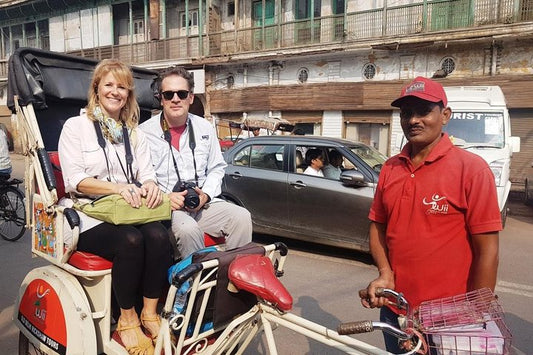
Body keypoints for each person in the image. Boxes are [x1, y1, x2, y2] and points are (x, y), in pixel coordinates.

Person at [360, 76, 501, 353]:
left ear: (445, 115)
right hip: (397, 310)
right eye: (406, 112)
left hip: (452, 317)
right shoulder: (390, 168)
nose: (413, 120)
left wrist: (476, 314)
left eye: (423, 111)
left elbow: (488, 251)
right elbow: (377, 227)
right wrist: (385, 274)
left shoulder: (471, 169)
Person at [58, 59, 173, 355]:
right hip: (87, 213)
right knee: (131, 241)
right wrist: (119, 188)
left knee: (160, 236)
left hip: (127, 210)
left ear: (129, 94)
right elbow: (75, 180)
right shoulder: (77, 126)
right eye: (109, 84)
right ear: (97, 89)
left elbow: (147, 174)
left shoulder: (133, 133)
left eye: (122, 87)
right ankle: (127, 318)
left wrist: (148, 185)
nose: (115, 92)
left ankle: (149, 312)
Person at [139, 66, 252, 259]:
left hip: (202, 204)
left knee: (241, 217)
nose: (175, 99)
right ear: (161, 99)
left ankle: (232, 281)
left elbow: (217, 167)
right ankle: (195, 286)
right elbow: (141, 177)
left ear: (191, 98)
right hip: (169, 207)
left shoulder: (204, 127)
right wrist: (167, 198)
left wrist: (205, 195)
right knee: (187, 230)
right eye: (169, 94)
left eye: (182, 94)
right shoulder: (143, 132)